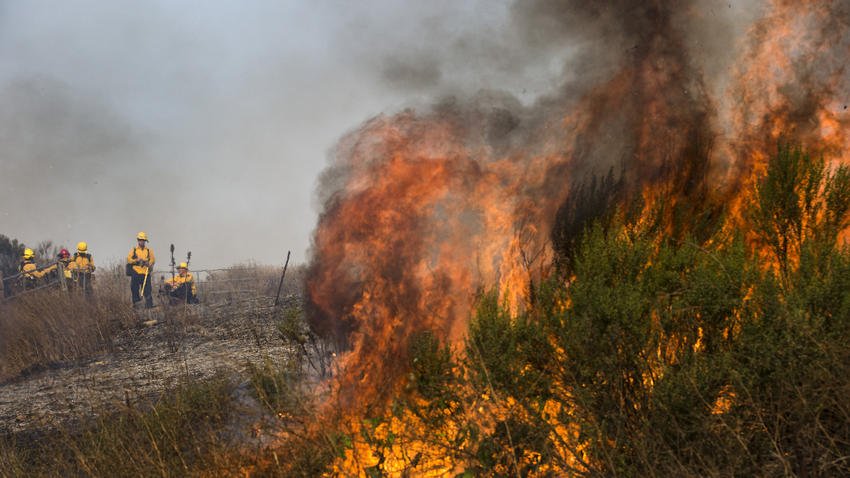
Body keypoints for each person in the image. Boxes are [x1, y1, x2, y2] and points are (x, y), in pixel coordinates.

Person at [127, 232, 155, 308]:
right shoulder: (134, 250)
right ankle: (136, 306)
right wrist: (136, 260)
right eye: (140, 240)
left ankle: (149, 306)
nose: (142, 242)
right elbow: (128, 259)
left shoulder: (149, 250)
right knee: (134, 290)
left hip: (145, 273)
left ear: (145, 241)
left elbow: (153, 259)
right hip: (136, 272)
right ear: (138, 240)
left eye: (143, 240)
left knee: (147, 290)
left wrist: (148, 263)